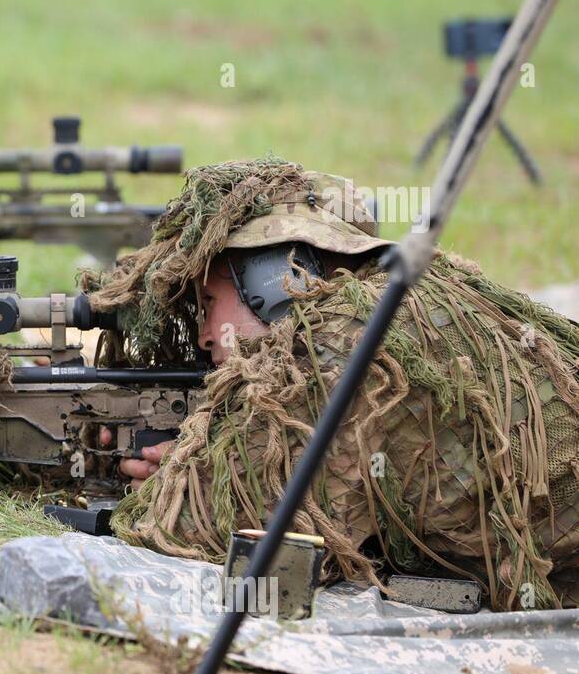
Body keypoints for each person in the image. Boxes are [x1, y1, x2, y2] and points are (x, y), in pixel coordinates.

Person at [85, 159, 579, 611]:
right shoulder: (392, 308)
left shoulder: (345, 343)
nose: (205, 335)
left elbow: (233, 530)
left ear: (275, 280)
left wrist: (180, 471)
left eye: (211, 303)